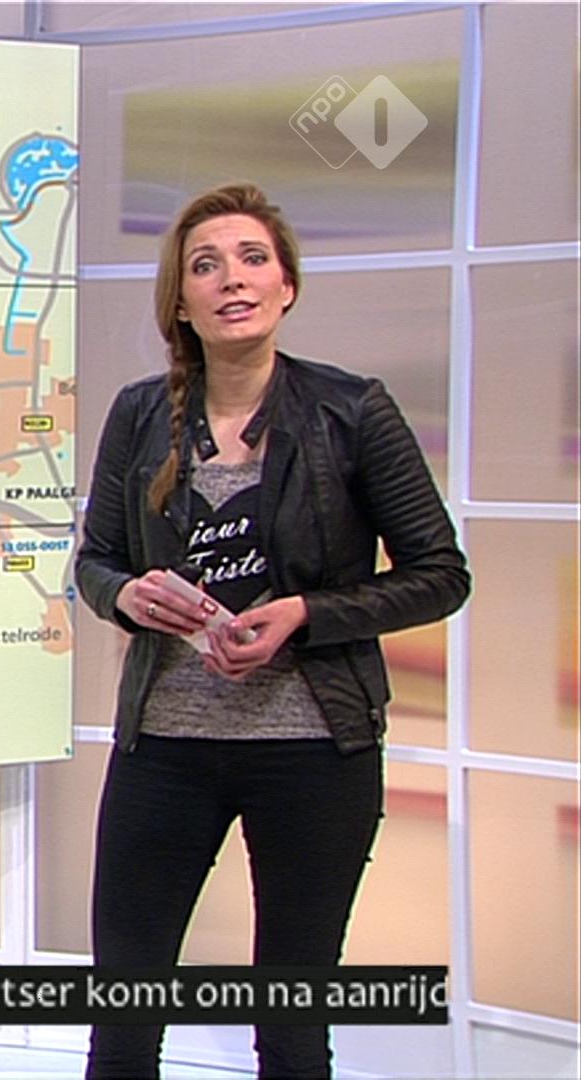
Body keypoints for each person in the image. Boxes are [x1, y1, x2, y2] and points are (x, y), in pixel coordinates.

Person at [74, 182, 469, 1079]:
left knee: (291, 1027)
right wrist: (128, 596)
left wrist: (306, 615)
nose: (232, 279)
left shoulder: (352, 410)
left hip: (314, 753)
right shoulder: (140, 413)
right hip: (163, 749)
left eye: (253, 259)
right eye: (206, 266)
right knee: (123, 1019)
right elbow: (96, 560)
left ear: (286, 285)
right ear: (181, 301)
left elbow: (441, 574)